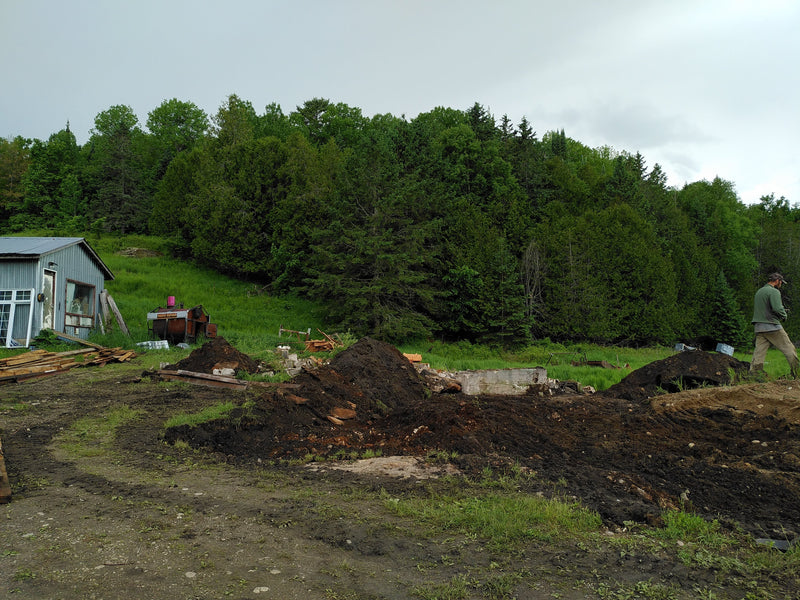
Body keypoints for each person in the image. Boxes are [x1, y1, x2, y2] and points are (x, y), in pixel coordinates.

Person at [750, 272, 799, 378]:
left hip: (759, 327)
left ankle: (754, 374)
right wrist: (784, 314)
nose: (781, 284)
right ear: (777, 281)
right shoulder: (774, 291)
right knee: (789, 348)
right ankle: (797, 372)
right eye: (781, 282)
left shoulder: (760, 291)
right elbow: (777, 308)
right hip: (771, 325)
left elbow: (764, 308)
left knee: (759, 352)